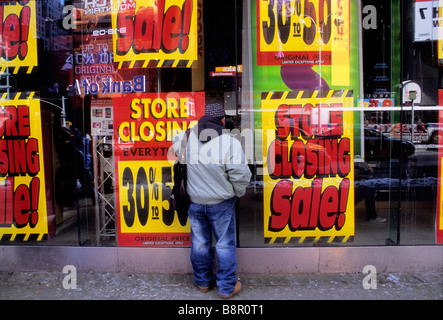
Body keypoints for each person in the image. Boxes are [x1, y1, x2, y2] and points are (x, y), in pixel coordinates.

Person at [173, 103, 252, 299]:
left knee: (200, 243)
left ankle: (203, 283)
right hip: (221, 203)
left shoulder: (186, 137)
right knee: (224, 244)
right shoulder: (229, 142)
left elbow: (176, 149)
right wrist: (237, 192)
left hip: (195, 202)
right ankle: (226, 288)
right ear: (223, 120)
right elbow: (240, 174)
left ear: (203, 118)